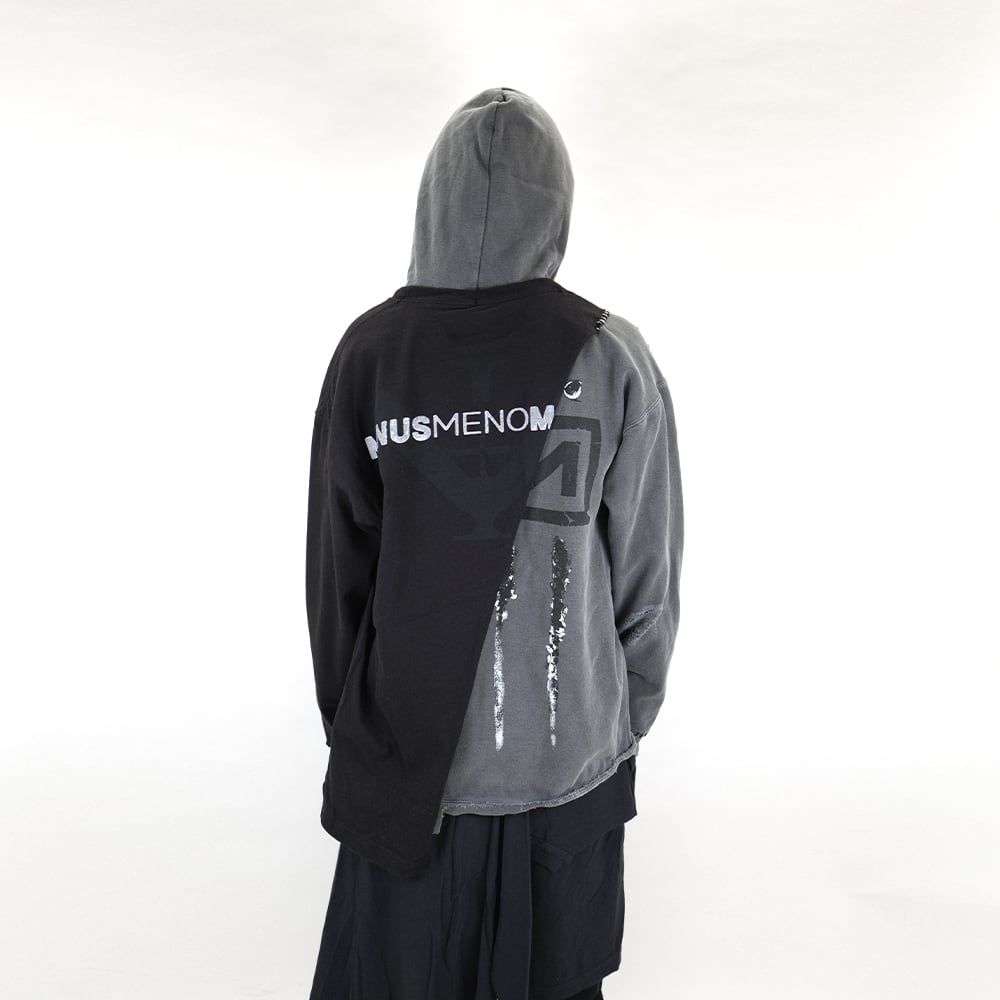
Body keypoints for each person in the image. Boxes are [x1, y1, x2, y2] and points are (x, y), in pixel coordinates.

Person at [305, 86, 684, 1000]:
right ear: (556, 205)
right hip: (564, 758)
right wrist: (618, 714)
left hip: (412, 764)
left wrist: (361, 727)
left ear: (430, 197)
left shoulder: (372, 353)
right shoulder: (610, 353)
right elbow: (650, 572)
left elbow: (335, 576)